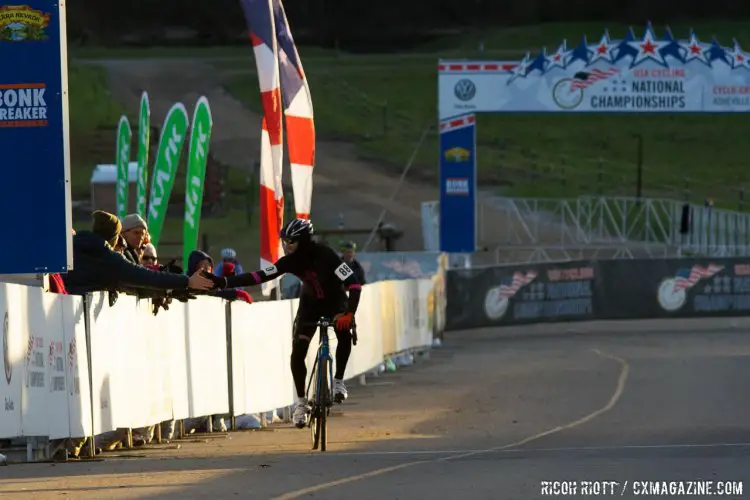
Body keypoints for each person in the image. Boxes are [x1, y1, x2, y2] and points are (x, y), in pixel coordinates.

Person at [205, 218, 362, 428]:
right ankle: (301, 403)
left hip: (336, 302)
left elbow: (353, 283)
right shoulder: (289, 261)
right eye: (284, 241)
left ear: (304, 240)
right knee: (298, 351)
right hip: (310, 305)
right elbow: (258, 276)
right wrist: (223, 282)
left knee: (344, 333)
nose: (286, 246)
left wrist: (350, 313)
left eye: (291, 241)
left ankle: (339, 381)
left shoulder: (326, 255)